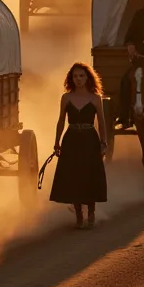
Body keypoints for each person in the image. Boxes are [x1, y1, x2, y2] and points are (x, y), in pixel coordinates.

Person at [50, 62, 108, 230]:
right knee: (74, 177)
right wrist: (56, 142)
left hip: (90, 139)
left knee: (90, 175)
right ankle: (78, 216)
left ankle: (91, 212)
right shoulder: (66, 98)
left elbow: (102, 122)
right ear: (71, 78)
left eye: (81, 76)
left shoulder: (96, 98)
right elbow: (61, 120)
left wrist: (103, 143)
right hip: (72, 139)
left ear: (87, 77)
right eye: (75, 76)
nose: (78, 79)